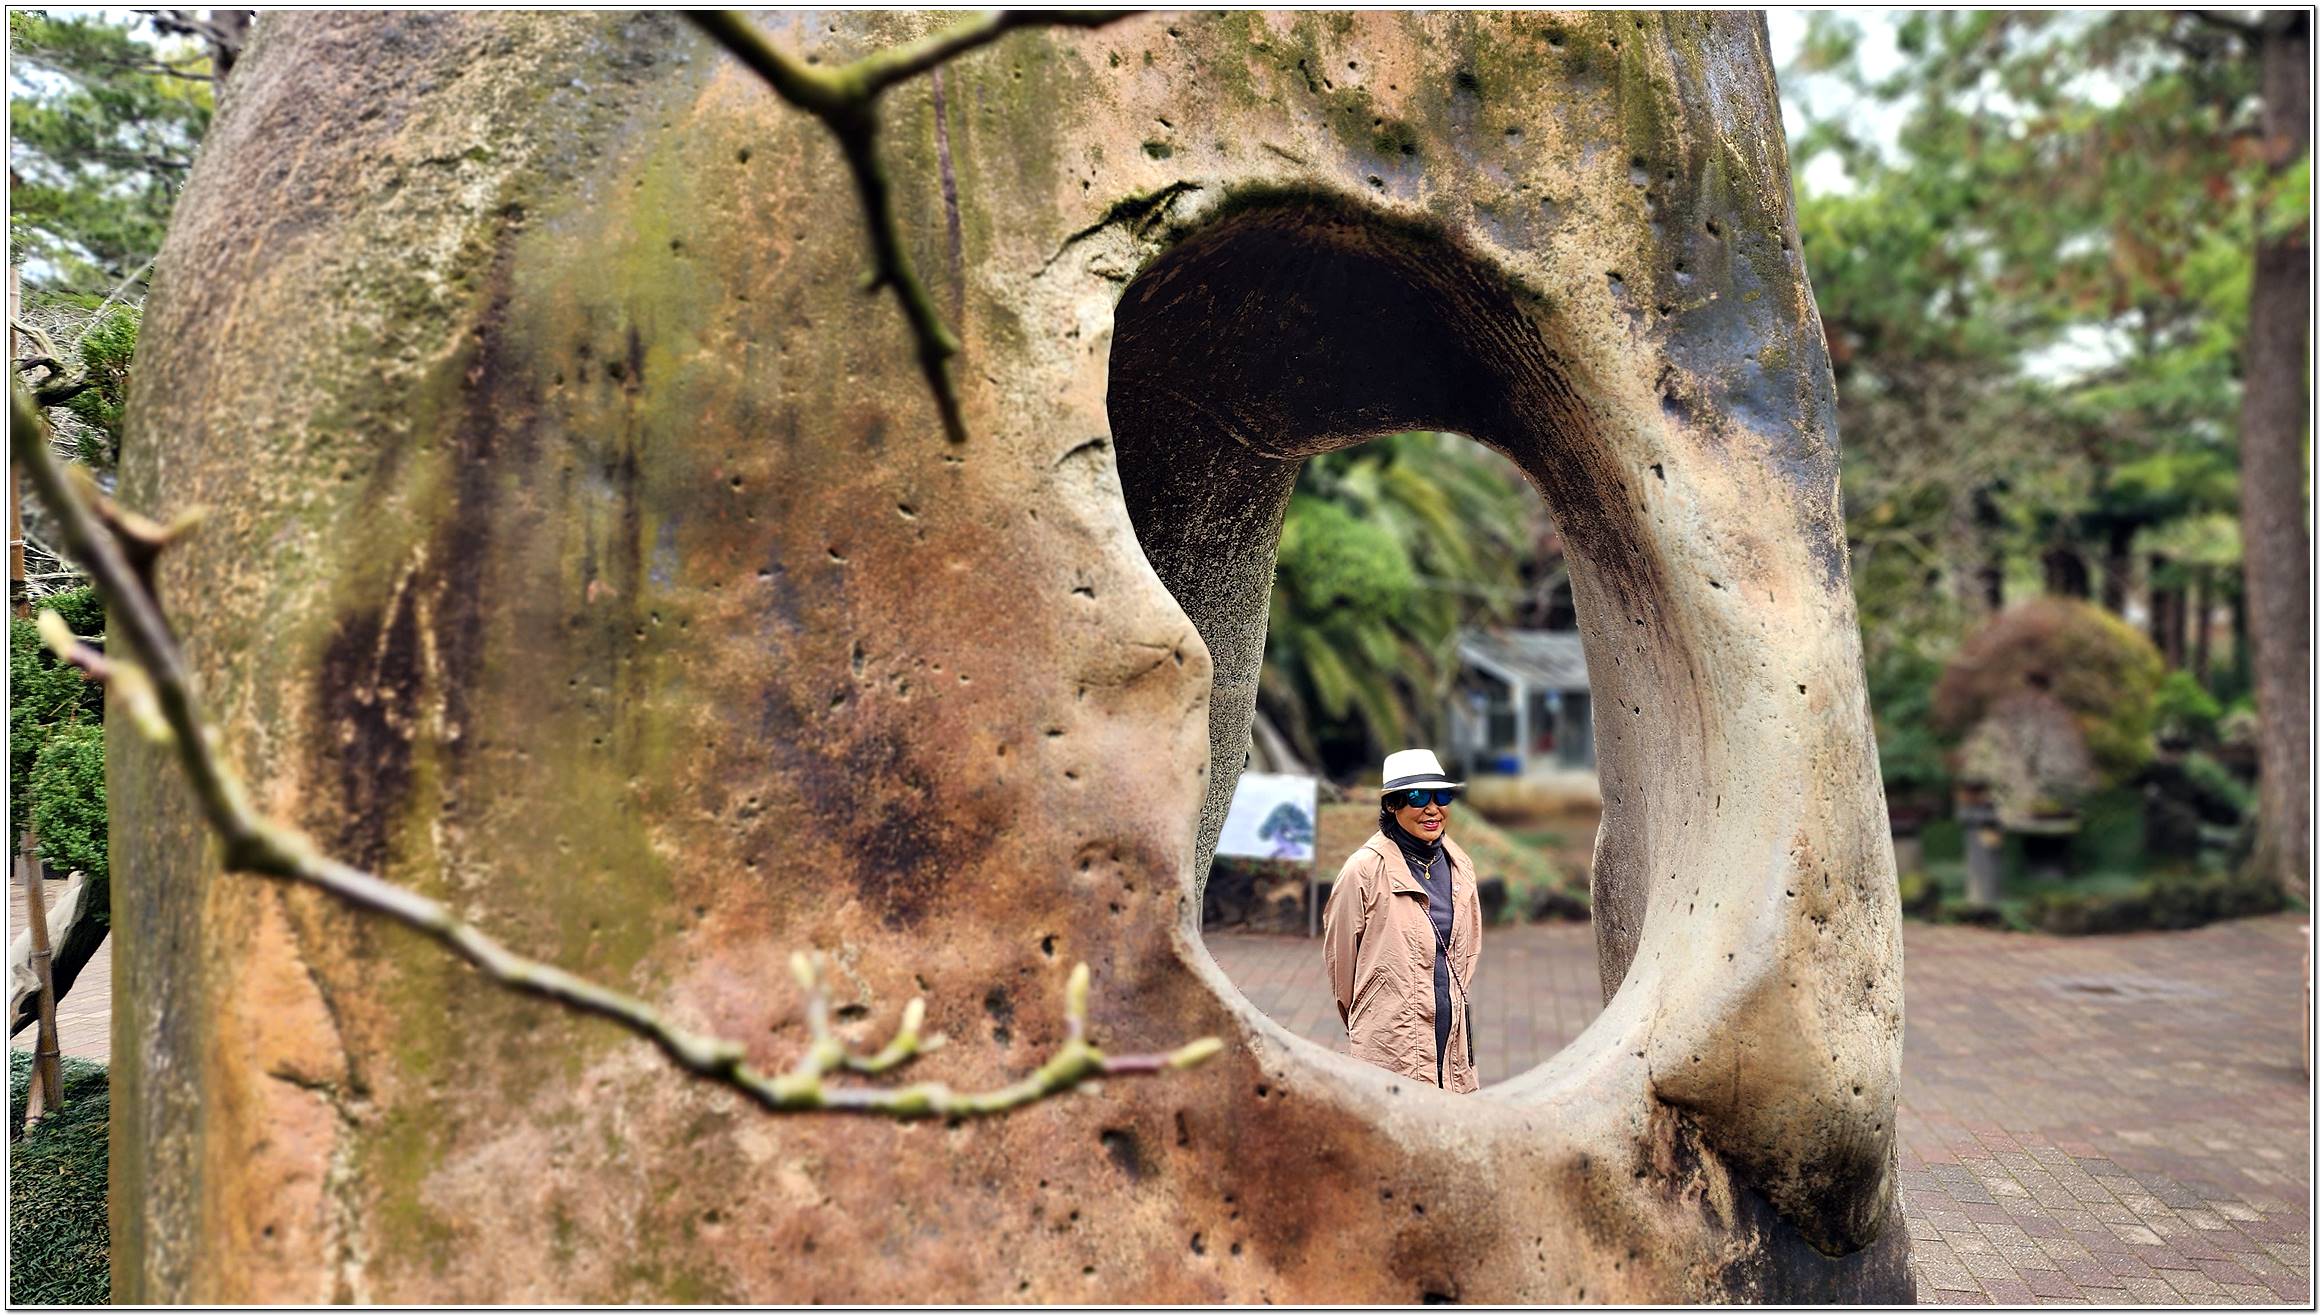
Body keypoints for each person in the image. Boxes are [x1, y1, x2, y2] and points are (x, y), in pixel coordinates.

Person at [1321, 748, 1482, 1093]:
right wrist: (1373, 1017)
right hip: (1391, 1047)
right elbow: (1341, 969)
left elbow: (1468, 954)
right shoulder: (1362, 871)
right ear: (1392, 805)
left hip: (1451, 1046)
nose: (1432, 808)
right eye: (1418, 797)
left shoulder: (1461, 866)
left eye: (1441, 796)